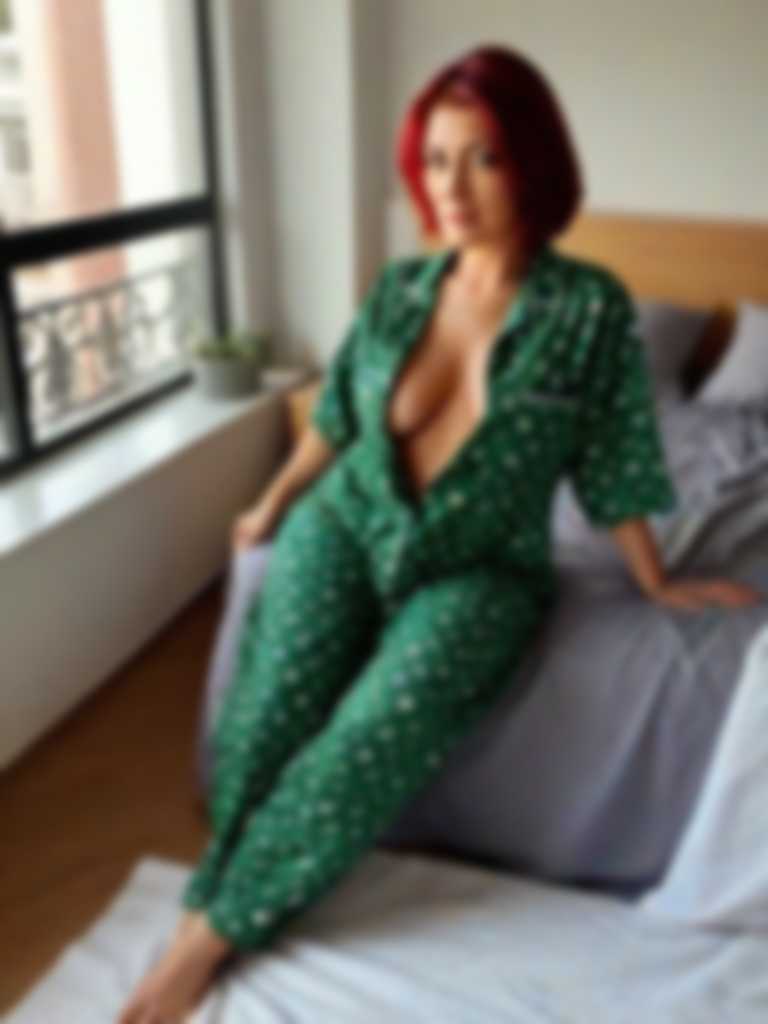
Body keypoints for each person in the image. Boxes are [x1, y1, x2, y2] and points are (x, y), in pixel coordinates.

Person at [117, 43, 761, 1024]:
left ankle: (203, 939)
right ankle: (225, 886)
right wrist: (276, 503)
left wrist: (656, 579)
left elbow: (615, 461)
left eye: (483, 158)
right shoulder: (401, 291)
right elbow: (339, 414)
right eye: (435, 160)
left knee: (372, 734)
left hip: (482, 567)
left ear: (532, 164)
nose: (451, 187)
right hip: (350, 519)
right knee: (270, 708)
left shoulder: (587, 309)